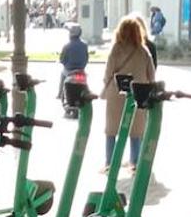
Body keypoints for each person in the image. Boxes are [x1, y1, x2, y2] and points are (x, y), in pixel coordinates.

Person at [101, 15, 156, 173]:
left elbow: (108, 72)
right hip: (137, 93)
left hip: (116, 93)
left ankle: (110, 163)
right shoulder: (143, 51)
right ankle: (135, 162)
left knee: (111, 130)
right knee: (136, 130)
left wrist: (106, 84)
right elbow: (151, 74)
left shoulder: (116, 49)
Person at [58, 22, 89, 96]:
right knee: (85, 80)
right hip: (81, 69)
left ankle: (60, 93)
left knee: (62, 74)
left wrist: (63, 62)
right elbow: (86, 58)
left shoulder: (67, 46)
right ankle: (86, 92)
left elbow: (62, 59)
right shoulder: (84, 45)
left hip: (69, 70)